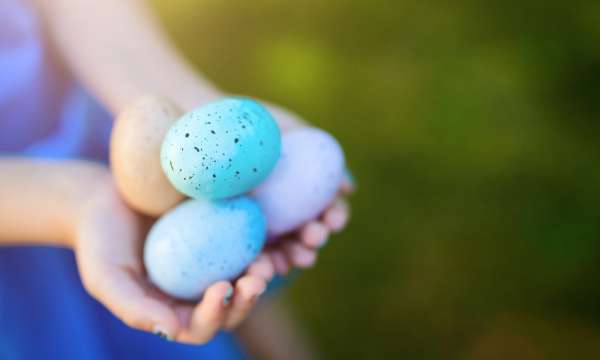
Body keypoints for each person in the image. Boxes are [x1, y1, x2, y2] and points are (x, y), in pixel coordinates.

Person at [0, 0, 353, 358]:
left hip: (122, 140)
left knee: (241, 283)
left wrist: (188, 102)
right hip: (18, 250)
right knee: (225, 272)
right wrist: (62, 199)